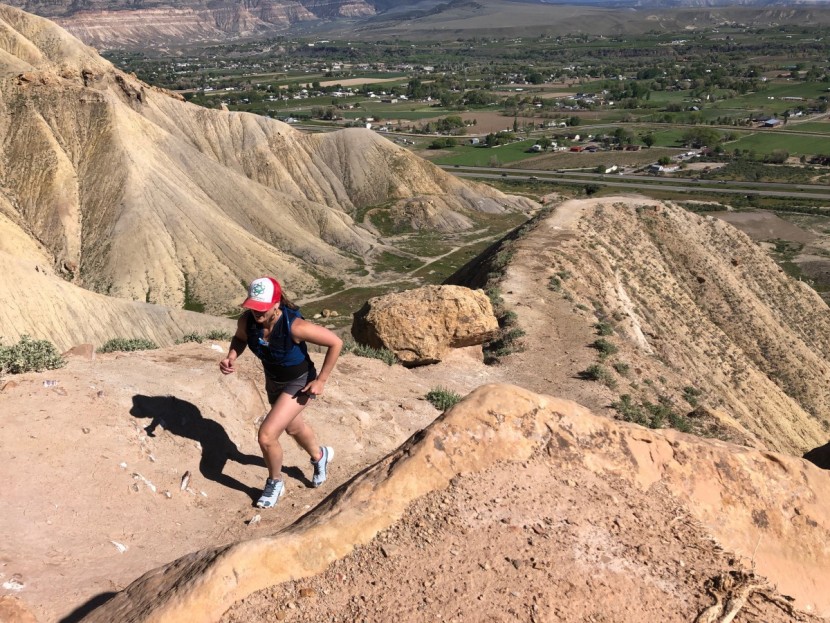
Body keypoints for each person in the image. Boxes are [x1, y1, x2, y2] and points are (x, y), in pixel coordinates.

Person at [219, 276, 343, 508]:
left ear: (276, 304)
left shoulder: (295, 326)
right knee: (293, 427)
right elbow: (239, 338)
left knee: (266, 435)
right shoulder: (248, 321)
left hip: (300, 381)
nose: (257, 313)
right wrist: (231, 356)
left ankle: (275, 482)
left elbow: (335, 342)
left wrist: (321, 380)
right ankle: (319, 456)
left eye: (262, 308)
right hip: (274, 381)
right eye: (253, 307)